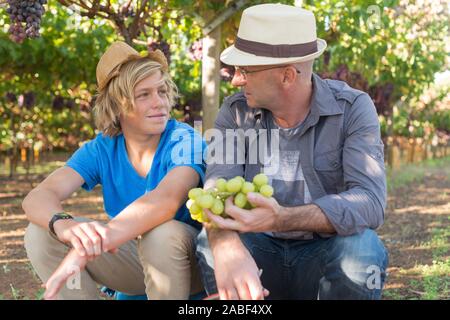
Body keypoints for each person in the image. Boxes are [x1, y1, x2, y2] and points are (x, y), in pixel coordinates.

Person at [195, 3, 389, 300]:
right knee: (212, 244)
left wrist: (280, 218)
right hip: (258, 255)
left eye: (246, 70)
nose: (235, 79)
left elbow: (370, 202)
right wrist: (225, 244)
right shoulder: (234, 113)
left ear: (287, 76)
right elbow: (216, 190)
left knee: (362, 250)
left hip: (322, 254)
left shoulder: (352, 109)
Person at [22, 41, 206, 300]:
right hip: (136, 266)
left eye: (162, 91)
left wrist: (87, 249)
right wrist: (64, 225)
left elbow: (165, 201)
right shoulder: (102, 149)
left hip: (191, 268)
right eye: (144, 95)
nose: (159, 103)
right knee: (41, 233)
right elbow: (38, 197)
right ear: (117, 105)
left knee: (162, 233)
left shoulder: (184, 140)